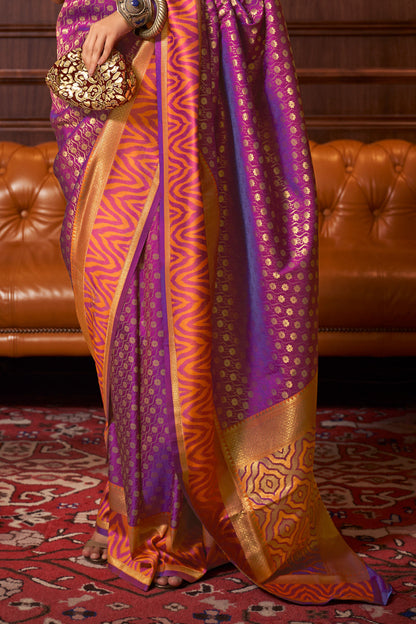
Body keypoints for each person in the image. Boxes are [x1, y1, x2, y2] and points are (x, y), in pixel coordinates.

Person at [49, 0, 391, 603]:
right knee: (125, 333)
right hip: (121, 109)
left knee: (166, 332)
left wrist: (134, 14)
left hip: (177, 123)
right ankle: (131, 503)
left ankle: (179, 523)